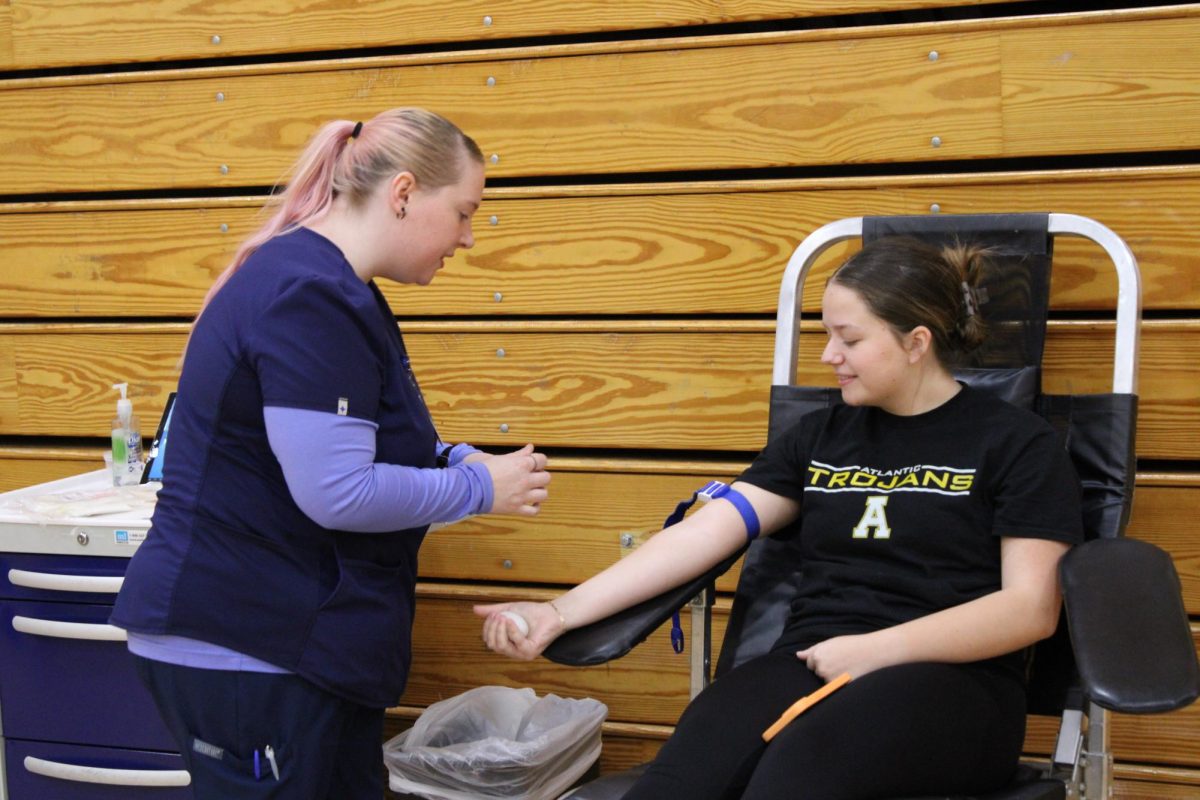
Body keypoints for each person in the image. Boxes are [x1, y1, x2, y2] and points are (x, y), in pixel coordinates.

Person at [476, 236, 1083, 799]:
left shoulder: (1017, 444)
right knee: (682, 780)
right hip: (812, 658)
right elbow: (708, 532)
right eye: (826, 335)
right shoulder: (819, 436)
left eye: (849, 339)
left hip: (956, 685)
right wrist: (557, 612)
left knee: (793, 780)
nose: (829, 356)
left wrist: (876, 651)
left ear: (916, 342)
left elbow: (1029, 609)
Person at [111, 107, 551, 800]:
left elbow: (373, 439)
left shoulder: (341, 289)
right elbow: (336, 490)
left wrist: (461, 462)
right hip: (250, 648)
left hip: (285, 647)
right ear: (403, 193)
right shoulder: (309, 294)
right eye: (464, 213)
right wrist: (479, 489)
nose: (467, 239)